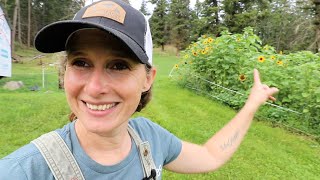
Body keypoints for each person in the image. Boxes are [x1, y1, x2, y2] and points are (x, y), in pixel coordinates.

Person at [0, 0, 279, 179]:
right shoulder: (24, 170)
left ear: (148, 79)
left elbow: (210, 155)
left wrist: (252, 104)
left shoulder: (149, 138)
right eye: (81, 62)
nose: (95, 87)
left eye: (119, 65)